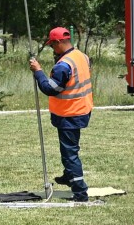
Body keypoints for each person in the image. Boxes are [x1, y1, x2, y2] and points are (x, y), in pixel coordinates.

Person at [29, 26, 93, 202]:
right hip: (82, 109)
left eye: (52, 45)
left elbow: (50, 88)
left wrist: (38, 71)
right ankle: (68, 176)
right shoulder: (81, 56)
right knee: (69, 149)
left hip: (69, 113)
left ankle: (80, 193)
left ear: (58, 42)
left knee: (70, 153)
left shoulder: (64, 65)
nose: (52, 48)